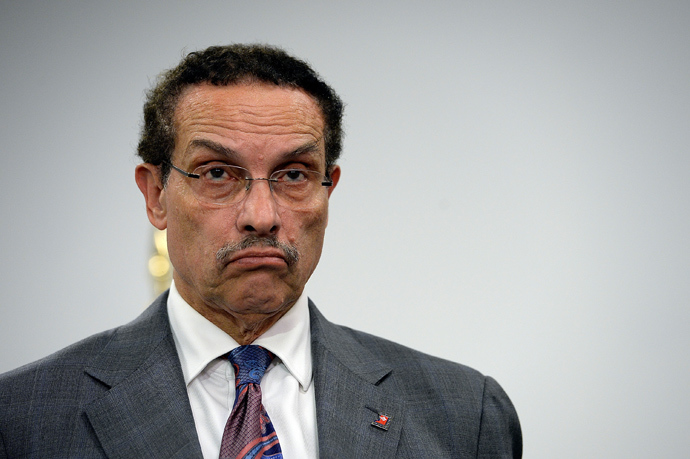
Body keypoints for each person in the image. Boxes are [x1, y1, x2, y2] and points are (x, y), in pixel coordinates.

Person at [0, 44, 522, 458]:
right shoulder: (22, 419)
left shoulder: (465, 415)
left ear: (327, 188)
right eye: (218, 174)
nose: (262, 214)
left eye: (294, 174)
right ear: (156, 194)